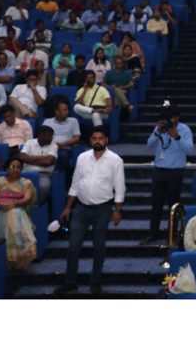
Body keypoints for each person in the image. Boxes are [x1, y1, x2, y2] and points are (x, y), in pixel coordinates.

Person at [55, 126, 125, 295]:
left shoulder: (115, 160)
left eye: (100, 138)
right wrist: (67, 208)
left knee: (98, 247)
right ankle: (70, 281)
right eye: (94, 138)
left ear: (106, 140)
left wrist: (117, 210)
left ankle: (95, 281)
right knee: (73, 246)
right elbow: (75, 184)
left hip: (103, 209)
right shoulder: (82, 157)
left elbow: (120, 187)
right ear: (90, 140)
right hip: (81, 208)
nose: (97, 141)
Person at [142, 107, 193, 245]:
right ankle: (153, 233)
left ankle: (173, 234)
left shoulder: (184, 130)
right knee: (156, 204)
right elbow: (149, 145)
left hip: (175, 172)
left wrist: (177, 137)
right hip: (159, 170)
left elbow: (189, 149)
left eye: (172, 118)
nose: (170, 121)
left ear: (177, 118)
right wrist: (157, 132)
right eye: (167, 118)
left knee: (173, 205)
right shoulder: (159, 128)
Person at [0, 157, 37, 270]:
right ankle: (6, 262)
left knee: (14, 213)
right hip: (0, 210)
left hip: (18, 210)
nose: (15, 169)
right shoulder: (0, 181)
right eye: (12, 167)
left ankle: (20, 261)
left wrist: (14, 204)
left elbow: (27, 198)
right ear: (6, 169)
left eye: (18, 167)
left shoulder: (26, 182)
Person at [19, 125, 57, 206]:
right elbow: (22, 157)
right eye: (49, 136)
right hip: (26, 174)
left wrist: (29, 159)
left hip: (44, 175)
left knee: (44, 186)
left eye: (51, 136)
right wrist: (42, 159)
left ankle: (35, 205)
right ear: (41, 135)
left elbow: (48, 162)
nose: (51, 138)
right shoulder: (29, 142)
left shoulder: (54, 145)